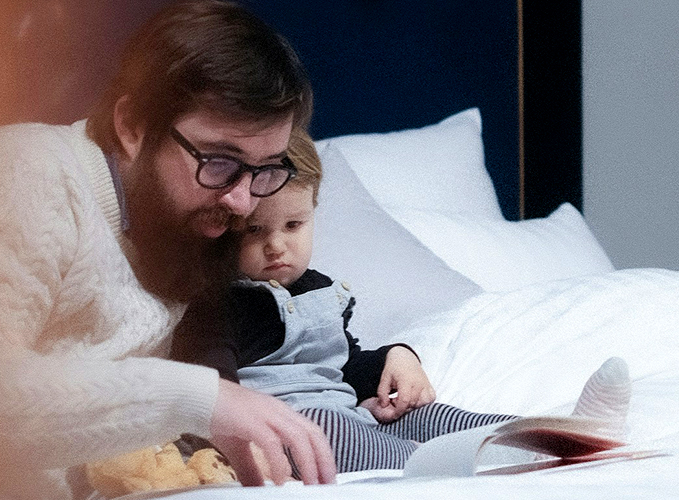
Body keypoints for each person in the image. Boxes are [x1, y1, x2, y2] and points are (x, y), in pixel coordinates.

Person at [0, 1, 336, 498]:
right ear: (133, 127)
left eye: (265, 168)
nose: (243, 201)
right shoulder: (19, 175)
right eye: (221, 161)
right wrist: (204, 399)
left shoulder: (186, 227)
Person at [171, 128, 633, 475]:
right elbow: (211, 390)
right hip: (279, 433)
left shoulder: (321, 292)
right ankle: (434, 466)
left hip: (350, 418)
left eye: (293, 226)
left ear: (313, 212)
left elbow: (346, 367)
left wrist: (398, 357)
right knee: (320, 426)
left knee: (428, 414)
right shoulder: (218, 303)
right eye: (255, 231)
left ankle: (555, 433)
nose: (277, 246)